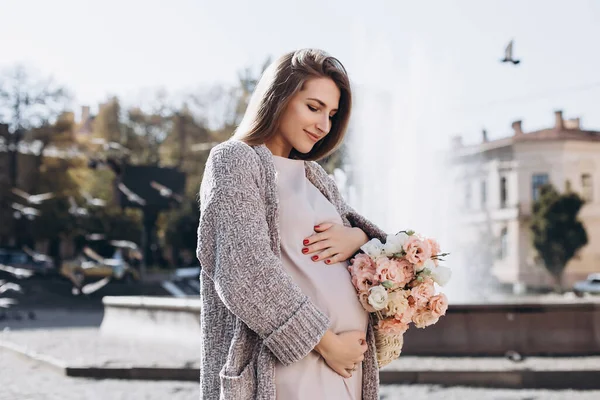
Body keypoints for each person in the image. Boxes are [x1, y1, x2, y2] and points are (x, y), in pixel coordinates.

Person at [197, 48, 387, 400]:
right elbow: (244, 272)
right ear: (278, 99)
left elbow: (370, 244)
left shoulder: (317, 177)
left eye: (331, 114)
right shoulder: (235, 160)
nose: (323, 125)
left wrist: (357, 236)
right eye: (313, 107)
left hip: (344, 371)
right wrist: (326, 343)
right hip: (286, 370)